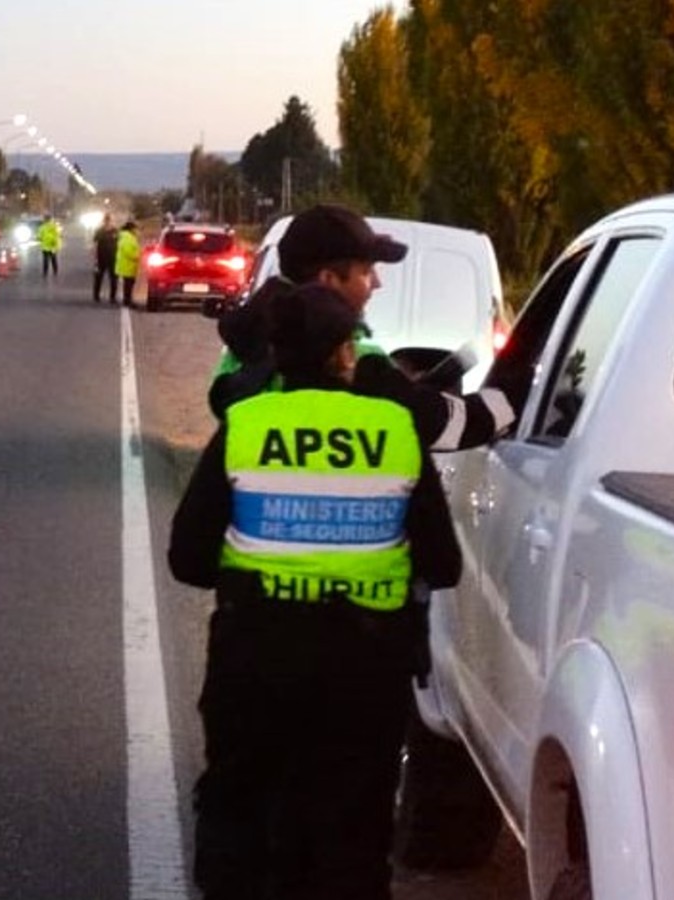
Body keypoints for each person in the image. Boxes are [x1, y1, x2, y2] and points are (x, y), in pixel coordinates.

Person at [169, 281, 461, 900]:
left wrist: (261, 572)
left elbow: (188, 560)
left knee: (237, 819)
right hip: (365, 671)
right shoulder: (395, 427)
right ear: (344, 355)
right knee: (351, 838)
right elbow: (445, 563)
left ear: (277, 353)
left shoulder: (246, 424)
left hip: (254, 663)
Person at [211, 204, 523, 450]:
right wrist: (519, 390)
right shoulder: (350, 358)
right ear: (328, 280)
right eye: (366, 271)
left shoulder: (240, 353)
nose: (377, 282)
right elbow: (442, 425)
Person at [91, 213, 119, 303]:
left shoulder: (115, 231)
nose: (107, 222)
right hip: (101, 257)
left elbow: (120, 244)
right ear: (104, 221)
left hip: (113, 258)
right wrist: (95, 258)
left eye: (109, 220)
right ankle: (96, 295)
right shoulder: (99, 231)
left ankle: (113, 297)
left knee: (114, 278)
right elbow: (95, 244)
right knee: (98, 277)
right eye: (106, 220)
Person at [114, 220, 142, 307]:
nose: (137, 231)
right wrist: (137, 256)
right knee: (128, 285)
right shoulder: (127, 238)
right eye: (136, 229)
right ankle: (127, 301)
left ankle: (128, 300)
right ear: (131, 229)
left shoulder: (128, 237)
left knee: (129, 285)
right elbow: (128, 251)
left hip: (129, 265)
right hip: (127, 265)